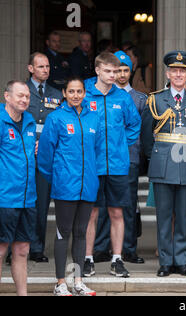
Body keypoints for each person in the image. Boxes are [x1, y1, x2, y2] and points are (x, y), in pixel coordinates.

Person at [141, 50, 186, 277]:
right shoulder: (155, 99)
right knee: (164, 216)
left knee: (184, 214)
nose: (178, 74)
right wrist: (156, 159)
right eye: (174, 70)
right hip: (162, 163)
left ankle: (181, 260)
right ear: (167, 73)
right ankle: (166, 262)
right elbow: (147, 136)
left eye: (182, 71)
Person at [37, 77, 99, 297]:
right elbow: (44, 156)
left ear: (84, 93)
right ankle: (60, 282)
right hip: (65, 186)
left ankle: (78, 281)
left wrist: (93, 176)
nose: (75, 95)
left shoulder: (93, 118)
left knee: (81, 233)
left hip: (88, 186)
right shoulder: (56, 118)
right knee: (63, 233)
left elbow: (98, 151)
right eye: (71, 91)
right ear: (64, 93)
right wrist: (58, 177)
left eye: (79, 91)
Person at [83, 52, 141, 278]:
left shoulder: (122, 97)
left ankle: (117, 259)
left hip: (117, 165)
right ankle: (87, 259)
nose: (113, 75)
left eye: (116, 71)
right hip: (92, 165)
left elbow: (134, 124)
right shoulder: (86, 93)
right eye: (108, 71)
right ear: (98, 70)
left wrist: (119, 144)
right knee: (91, 213)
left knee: (117, 212)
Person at [93, 51, 148, 265]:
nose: (121, 74)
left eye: (125, 70)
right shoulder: (99, 93)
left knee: (127, 206)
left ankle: (128, 248)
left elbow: (139, 130)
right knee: (102, 207)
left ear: (130, 71)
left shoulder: (139, 98)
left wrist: (123, 146)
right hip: (102, 159)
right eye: (117, 70)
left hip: (128, 158)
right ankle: (100, 248)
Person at [0, 81, 37, 296]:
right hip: (5, 198)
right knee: (2, 249)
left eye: (27, 97)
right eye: (20, 96)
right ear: (7, 96)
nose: (24, 100)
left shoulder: (30, 121)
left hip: (27, 198)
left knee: (22, 250)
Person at [26, 52, 63, 263]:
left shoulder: (57, 95)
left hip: (46, 156)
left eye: (47, 66)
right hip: (23, 156)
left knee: (41, 206)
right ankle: (16, 248)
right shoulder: (22, 91)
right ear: (30, 68)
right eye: (41, 66)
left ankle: (37, 248)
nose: (45, 70)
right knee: (21, 204)